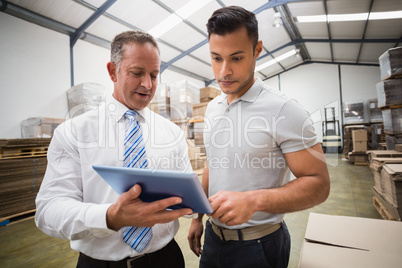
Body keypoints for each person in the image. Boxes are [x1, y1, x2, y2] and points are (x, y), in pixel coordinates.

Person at [35, 30, 194, 268]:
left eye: (154, 74)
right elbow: (49, 211)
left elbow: (187, 193)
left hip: (166, 258)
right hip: (101, 263)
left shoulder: (170, 133)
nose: (148, 84)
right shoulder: (75, 132)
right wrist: (109, 217)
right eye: (136, 73)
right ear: (112, 71)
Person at [187, 6, 330, 268]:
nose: (224, 71)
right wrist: (198, 218)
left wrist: (254, 200)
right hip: (213, 241)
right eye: (216, 58)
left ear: (257, 50)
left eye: (237, 58)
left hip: (259, 247)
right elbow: (212, 165)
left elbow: (319, 184)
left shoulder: (285, 110)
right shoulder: (213, 108)